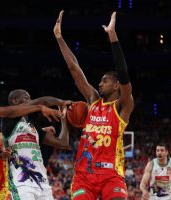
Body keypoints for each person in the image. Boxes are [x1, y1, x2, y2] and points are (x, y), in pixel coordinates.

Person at [54, 11, 134, 200]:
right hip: (84, 176)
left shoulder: (123, 106)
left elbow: (124, 74)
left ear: (116, 86)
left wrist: (112, 35)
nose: (99, 84)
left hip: (111, 176)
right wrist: (59, 37)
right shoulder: (93, 101)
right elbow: (75, 69)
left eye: (104, 81)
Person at [2, 89, 70, 200]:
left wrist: (64, 117)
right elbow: (41, 101)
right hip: (22, 183)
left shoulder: (34, 129)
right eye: (26, 97)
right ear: (15, 101)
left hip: (42, 184)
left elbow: (63, 143)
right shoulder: (8, 119)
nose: (30, 100)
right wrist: (61, 102)